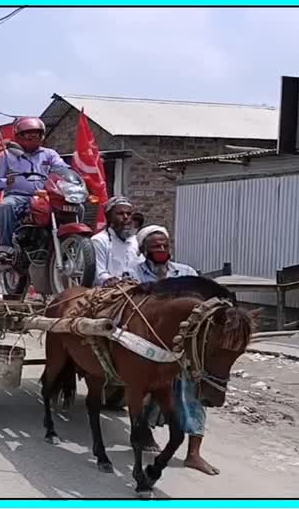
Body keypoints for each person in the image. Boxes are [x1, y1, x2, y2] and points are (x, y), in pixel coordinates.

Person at [126, 225, 217, 476]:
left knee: (194, 395)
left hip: (185, 347)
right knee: (147, 391)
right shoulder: (133, 273)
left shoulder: (186, 273)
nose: (162, 250)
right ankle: (144, 434)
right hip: (149, 347)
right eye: (155, 246)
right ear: (144, 250)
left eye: (165, 245)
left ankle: (194, 454)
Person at [0, 117, 70, 263]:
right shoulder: (6, 155)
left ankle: (70, 240)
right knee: (5, 206)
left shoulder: (49, 154)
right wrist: (5, 181)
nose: (33, 136)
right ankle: (5, 248)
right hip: (18, 196)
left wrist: (72, 175)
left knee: (73, 205)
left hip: (45, 196)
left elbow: (62, 168)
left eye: (36, 133)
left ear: (42, 135)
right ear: (19, 136)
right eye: (28, 133)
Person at [91, 196, 143, 287]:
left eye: (129, 214)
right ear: (109, 217)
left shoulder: (137, 241)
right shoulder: (99, 240)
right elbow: (99, 274)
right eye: (120, 214)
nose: (126, 217)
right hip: (109, 292)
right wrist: (115, 281)